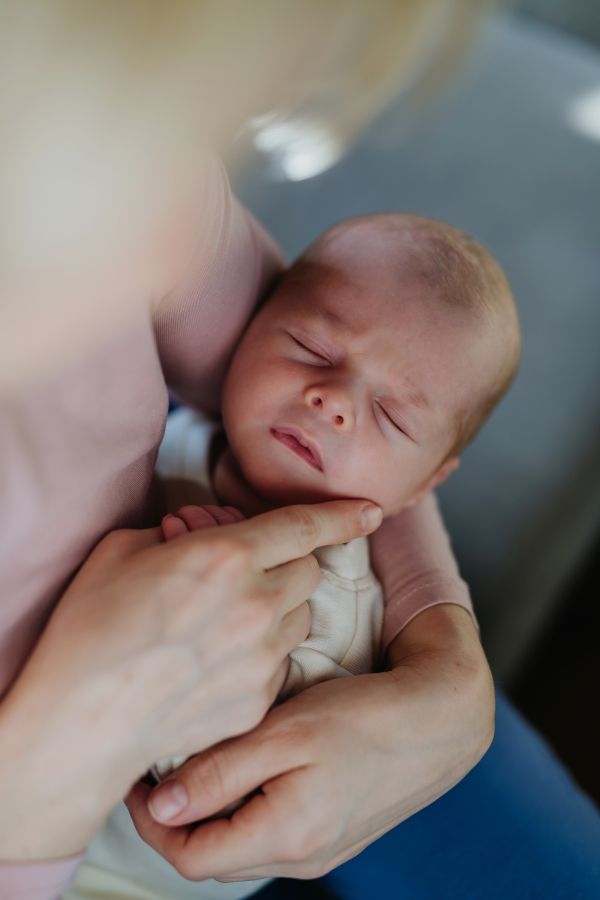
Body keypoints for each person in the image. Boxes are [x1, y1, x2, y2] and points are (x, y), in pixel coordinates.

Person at [0, 4, 598, 900]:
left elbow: (316, 344)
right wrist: (51, 772)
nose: (330, 399)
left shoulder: (134, 178)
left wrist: (441, 659)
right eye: (317, 359)